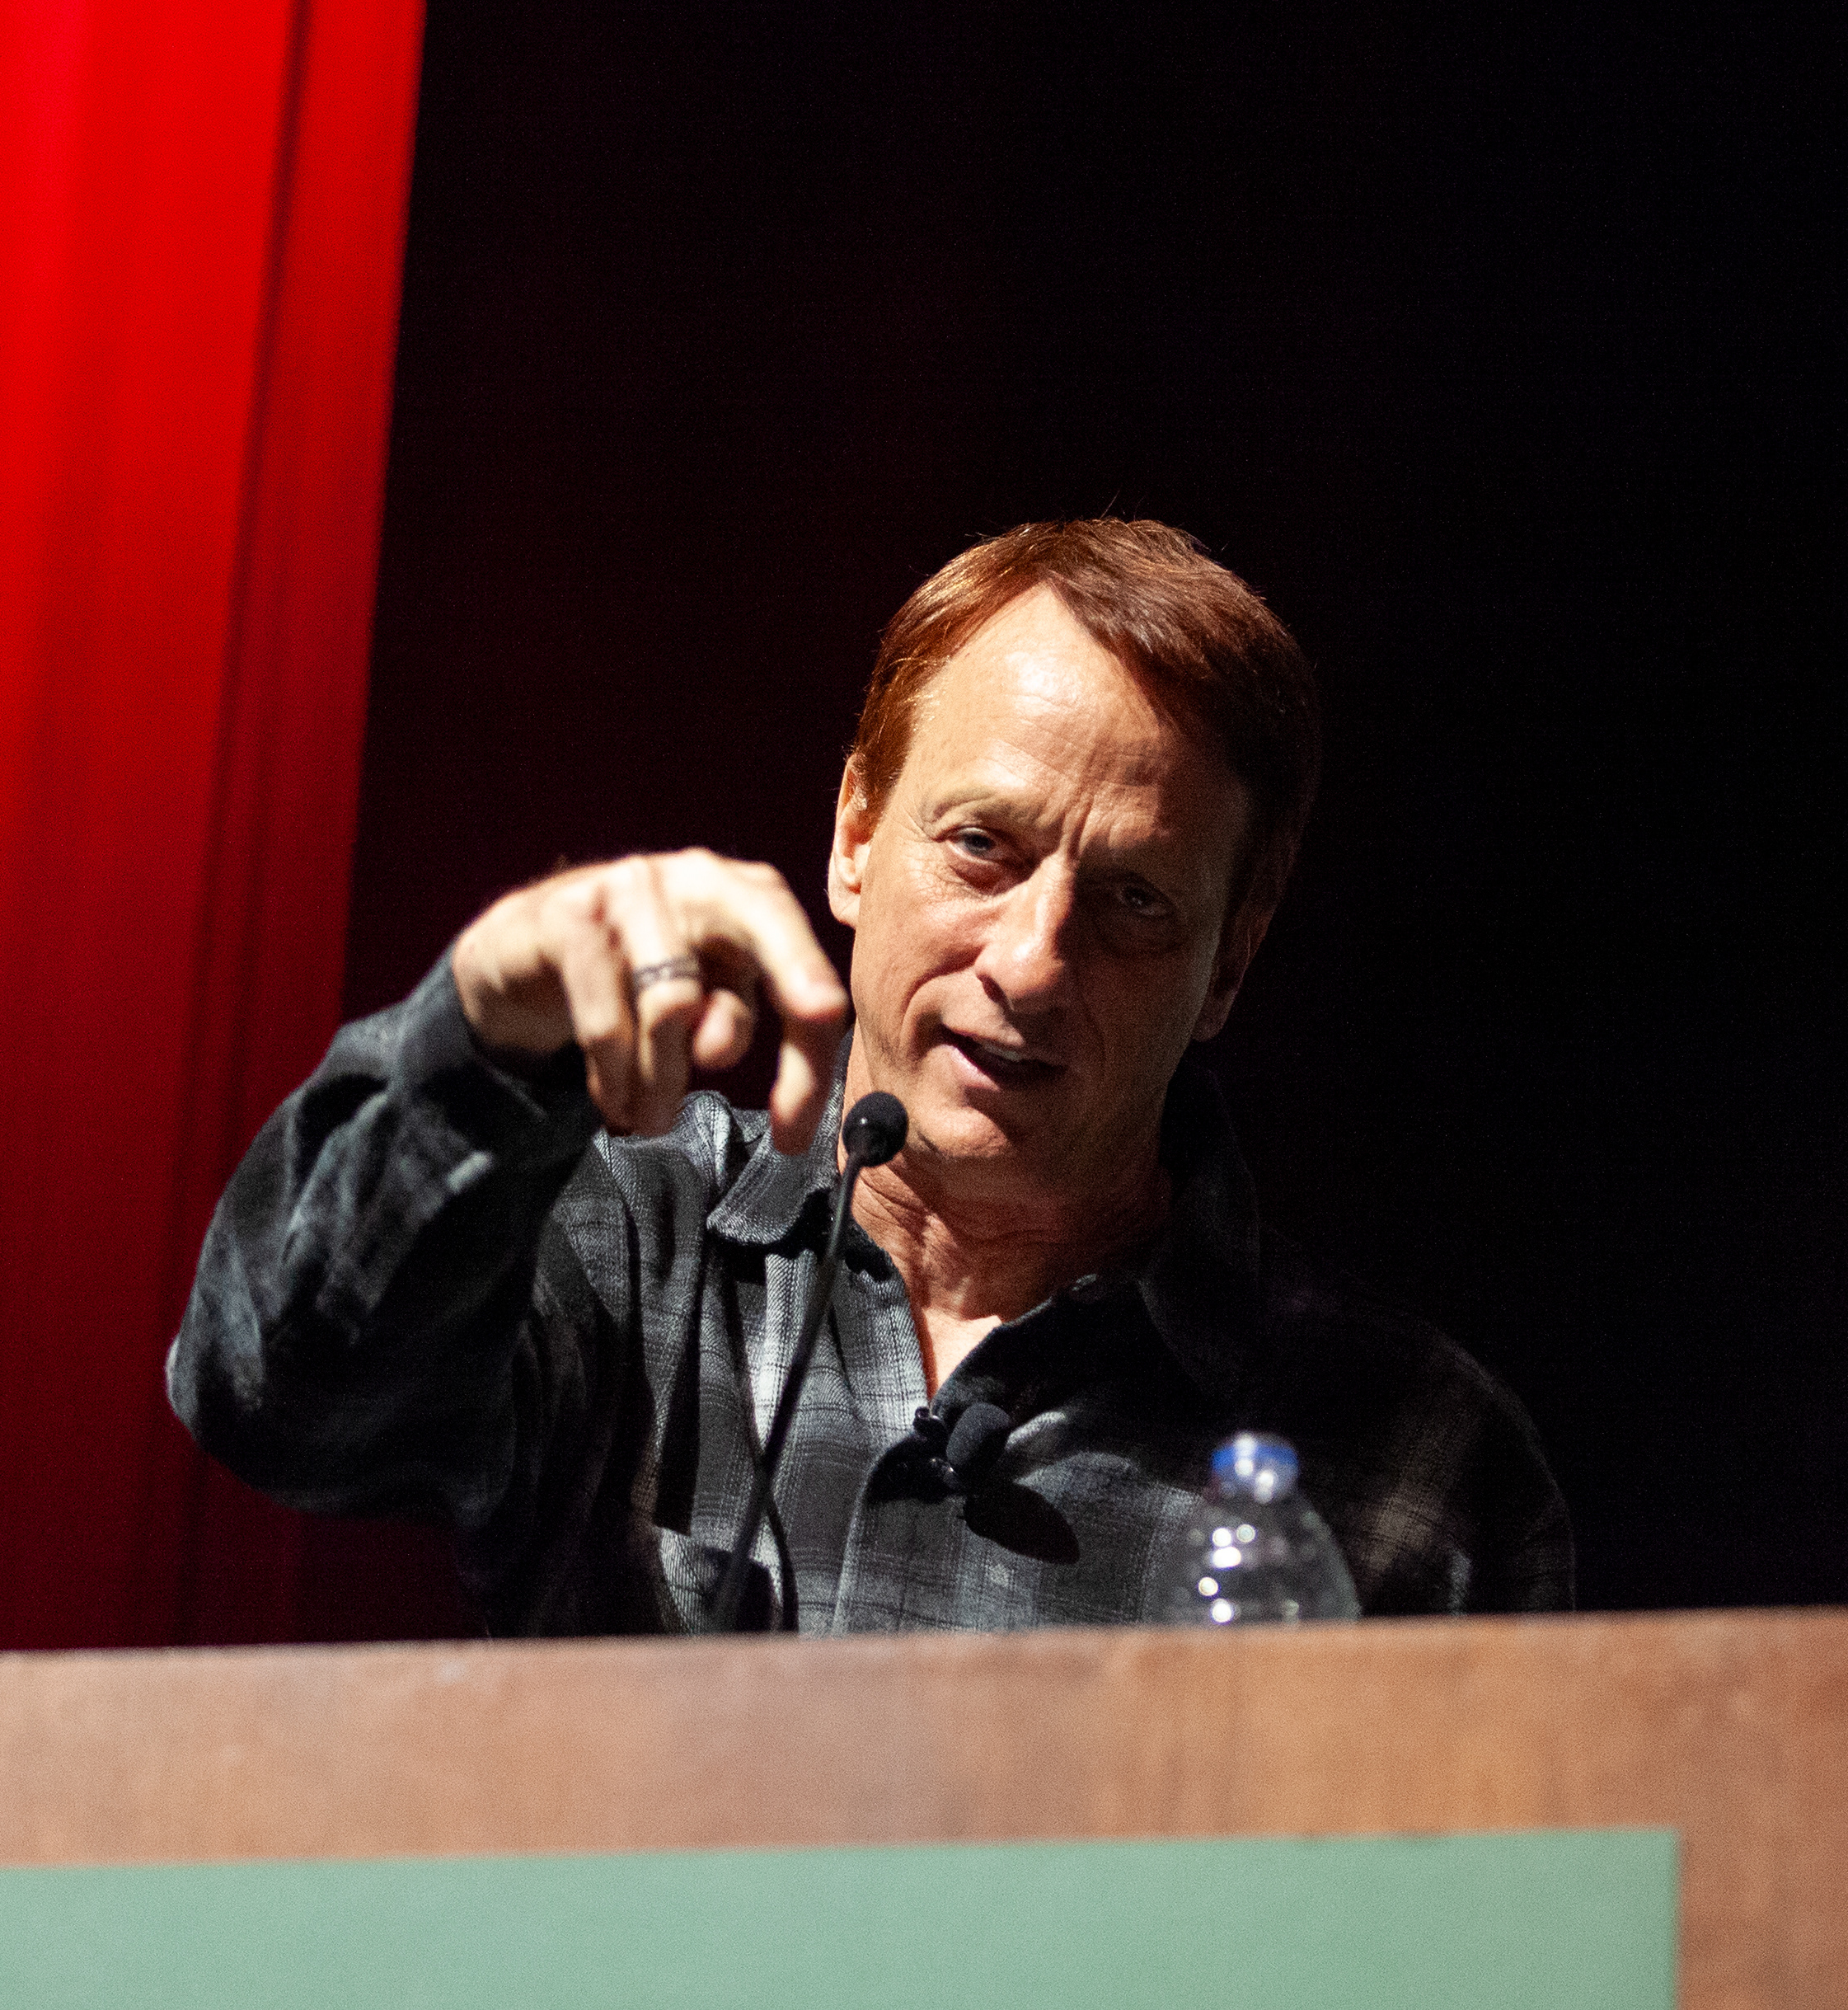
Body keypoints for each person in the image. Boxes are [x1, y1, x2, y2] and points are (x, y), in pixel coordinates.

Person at [171, 519, 1570, 1633]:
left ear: (1229, 969)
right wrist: (480, 1037)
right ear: (854, 833)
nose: (1031, 960)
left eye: (1135, 901)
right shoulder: (622, 1241)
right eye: (982, 846)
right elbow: (279, 1394)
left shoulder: (1417, 1462)